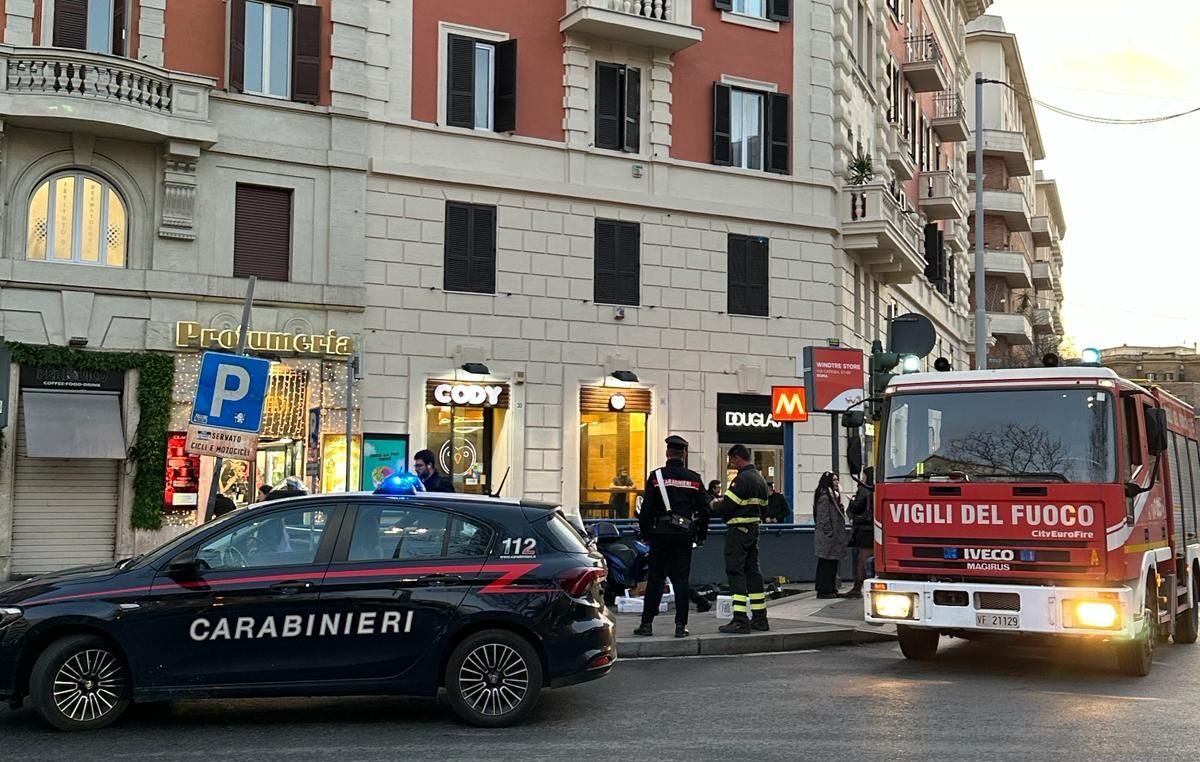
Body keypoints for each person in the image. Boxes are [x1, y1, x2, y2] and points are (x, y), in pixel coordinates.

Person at [633, 435, 711, 639]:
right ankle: (680, 626)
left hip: (661, 533)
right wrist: (700, 535)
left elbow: (646, 510)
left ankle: (647, 623)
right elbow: (705, 510)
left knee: (656, 578)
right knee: (681, 580)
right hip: (684, 534)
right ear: (684, 454)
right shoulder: (694, 479)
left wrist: (646, 535)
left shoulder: (656, 477)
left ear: (668, 453)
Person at [713, 444, 770, 634]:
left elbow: (727, 505)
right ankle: (760, 618)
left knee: (735, 571)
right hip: (754, 530)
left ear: (737, 458)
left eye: (731, 460)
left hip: (738, 531)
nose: (732, 464)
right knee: (753, 572)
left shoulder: (742, 480)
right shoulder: (760, 480)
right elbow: (765, 507)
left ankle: (740, 619)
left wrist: (714, 504)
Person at [813, 472, 849, 599]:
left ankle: (830, 588)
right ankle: (825, 590)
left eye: (837, 480)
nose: (837, 482)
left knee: (831, 564)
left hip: (832, 537)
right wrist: (830, 533)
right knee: (826, 564)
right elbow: (823, 517)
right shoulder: (825, 497)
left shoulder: (833, 496)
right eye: (834, 480)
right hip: (827, 538)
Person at [845, 467, 875, 599]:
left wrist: (851, 501)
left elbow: (857, 506)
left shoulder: (864, 489)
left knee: (862, 559)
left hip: (864, 529)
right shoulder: (876, 488)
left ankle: (857, 587)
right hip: (874, 528)